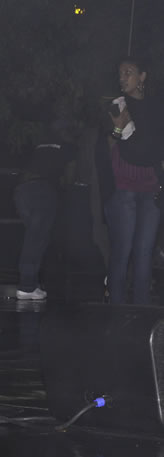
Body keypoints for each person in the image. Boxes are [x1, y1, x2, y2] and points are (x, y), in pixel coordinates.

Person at [95, 56, 164, 305]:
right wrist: (117, 128)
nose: (123, 77)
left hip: (150, 187)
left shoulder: (156, 106)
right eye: (120, 72)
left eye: (129, 72)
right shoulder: (118, 104)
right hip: (124, 186)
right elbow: (110, 141)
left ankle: (141, 314)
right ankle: (116, 312)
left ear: (142, 76)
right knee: (122, 252)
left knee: (144, 254)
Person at [13, 106, 78, 300]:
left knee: (35, 237)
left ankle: (31, 283)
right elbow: (70, 178)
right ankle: (26, 286)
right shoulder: (69, 147)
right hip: (42, 191)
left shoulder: (41, 144)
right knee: (37, 239)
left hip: (21, 191)